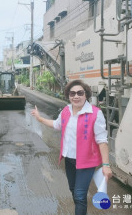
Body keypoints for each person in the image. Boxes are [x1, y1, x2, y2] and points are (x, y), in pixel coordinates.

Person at [31, 79, 112, 215]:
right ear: (68, 96)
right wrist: (39, 119)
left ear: (86, 94)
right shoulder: (66, 110)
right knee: (73, 190)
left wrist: (106, 164)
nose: (76, 96)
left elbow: (102, 140)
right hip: (69, 159)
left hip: (86, 162)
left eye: (80, 93)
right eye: (72, 93)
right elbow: (57, 124)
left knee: (80, 195)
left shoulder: (95, 113)